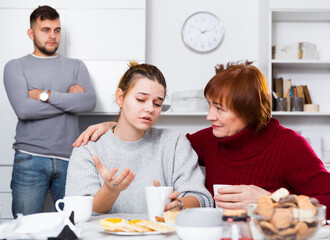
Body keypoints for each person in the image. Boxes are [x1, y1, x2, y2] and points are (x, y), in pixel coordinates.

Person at [73, 61, 330, 218]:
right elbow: (152, 141)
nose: (209, 116)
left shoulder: (289, 145)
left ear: (248, 111)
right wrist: (115, 124)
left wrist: (271, 201)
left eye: (219, 109)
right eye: (209, 105)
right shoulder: (207, 140)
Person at [65, 61, 213, 214]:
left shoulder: (174, 143)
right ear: (120, 98)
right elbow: (78, 212)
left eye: (157, 103)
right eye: (141, 99)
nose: (150, 109)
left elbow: (201, 197)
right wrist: (110, 191)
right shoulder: (88, 148)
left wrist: (180, 204)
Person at [3, 5, 96, 217]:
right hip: (29, 159)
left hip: (71, 159)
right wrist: (70, 97)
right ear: (31, 33)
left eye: (57, 30)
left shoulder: (76, 66)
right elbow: (24, 109)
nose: (52, 36)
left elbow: (88, 102)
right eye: (45, 29)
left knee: (74, 227)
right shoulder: (15, 66)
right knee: (25, 229)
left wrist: (45, 95)